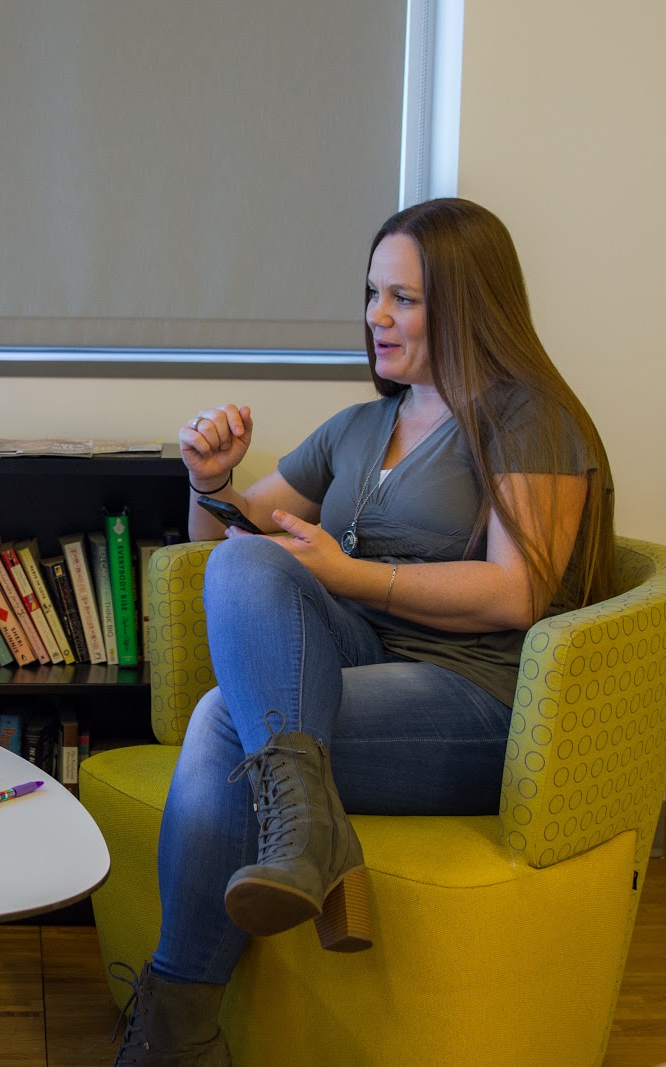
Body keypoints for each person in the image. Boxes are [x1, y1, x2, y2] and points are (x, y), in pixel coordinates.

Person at [112, 197, 617, 1066]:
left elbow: (517, 593)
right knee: (245, 561)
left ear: (468, 304)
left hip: (476, 698)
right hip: (359, 667)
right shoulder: (359, 427)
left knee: (223, 719)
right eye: (373, 293)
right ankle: (308, 830)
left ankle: (176, 1026)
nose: (377, 316)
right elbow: (223, 553)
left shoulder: (525, 415)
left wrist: (347, 574)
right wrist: (210, 480)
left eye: (406, 298)